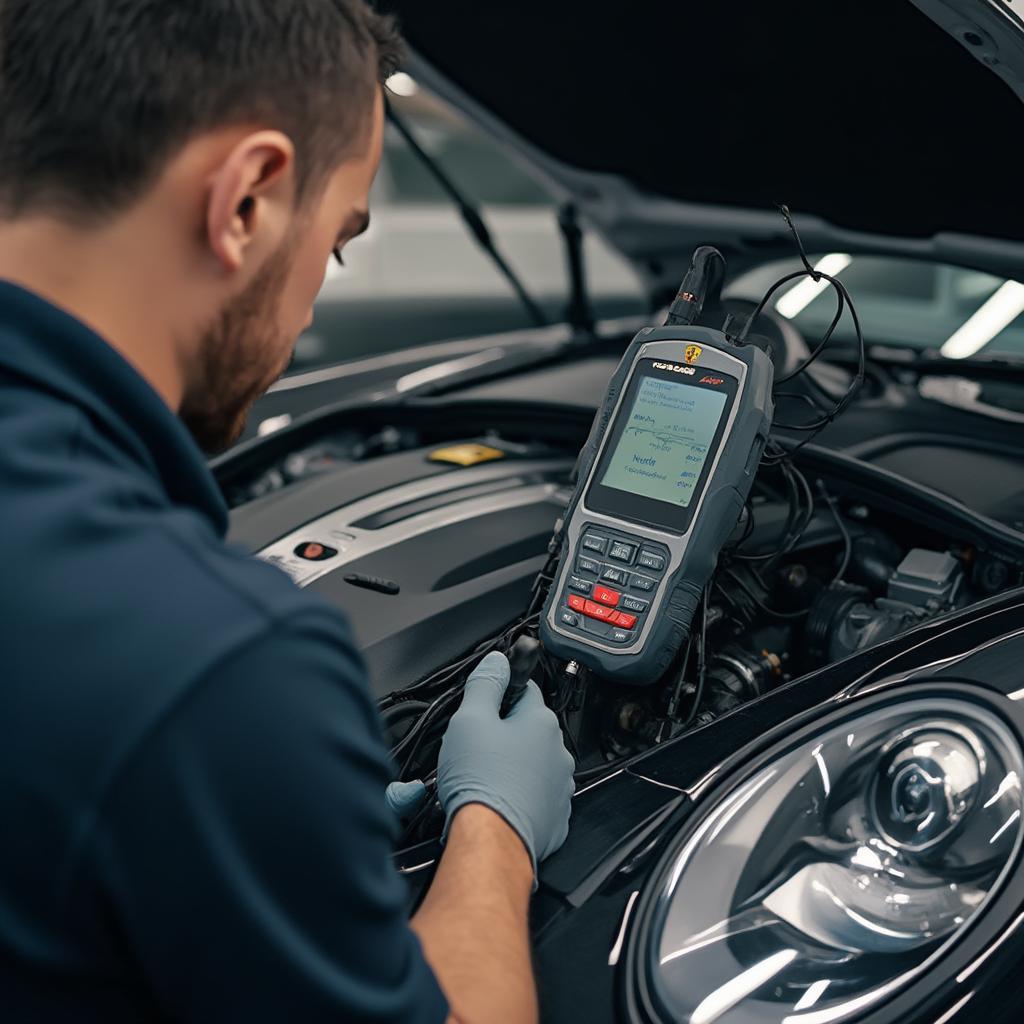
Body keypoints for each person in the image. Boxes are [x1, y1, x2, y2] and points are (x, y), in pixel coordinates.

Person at [0, 1, 575, 1022]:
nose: (311, 301)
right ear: (248, 200)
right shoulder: (209, 663)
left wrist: (269, 817)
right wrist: (494, 827)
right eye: (338, 241)